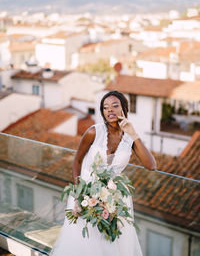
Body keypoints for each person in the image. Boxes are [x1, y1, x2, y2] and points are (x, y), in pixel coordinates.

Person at [50, 90, 156, 256]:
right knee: (87, 242)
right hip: (86, 195)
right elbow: (77, 160)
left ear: (124, 109)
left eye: (115, 105)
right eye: (105, 107)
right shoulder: (93, 131)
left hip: (115, 198)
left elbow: (151, 165)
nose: (110, 110)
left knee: (109, 242)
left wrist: (133, 133)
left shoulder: (130, 139)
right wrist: (79, 194)